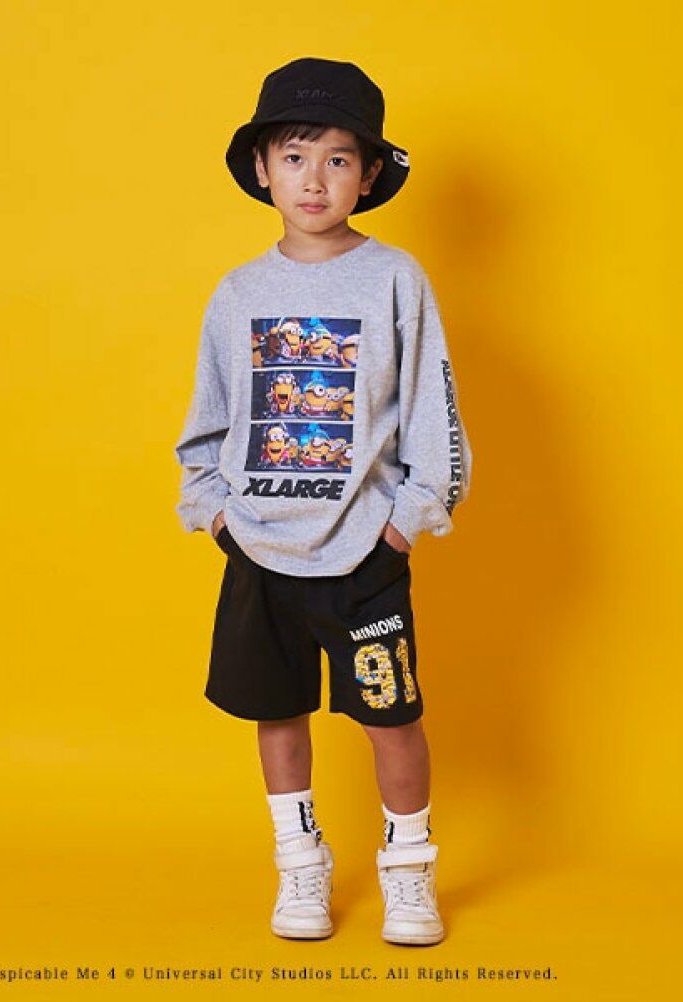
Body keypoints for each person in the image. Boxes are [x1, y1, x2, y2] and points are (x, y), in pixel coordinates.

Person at [173, 57, 472, 946]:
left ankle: (408, 872)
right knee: (277, 712)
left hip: (364, 554)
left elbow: (432, 412)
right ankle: (299, 865)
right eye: (295, 156)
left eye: (338, 159)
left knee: (393, 718)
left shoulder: (395, 279)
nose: (314, 178)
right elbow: (207, 420)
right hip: (259, 548)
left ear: (368, 175)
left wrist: (406, 523)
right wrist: (216, 512)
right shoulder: (238, 294)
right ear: (262, 168)